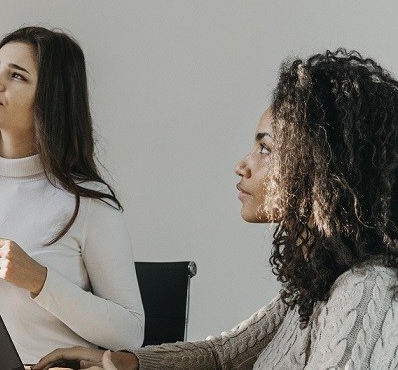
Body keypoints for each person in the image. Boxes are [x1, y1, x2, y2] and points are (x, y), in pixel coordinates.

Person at [36, 49, 398, 370]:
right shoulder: (315, 284)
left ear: (319, 167)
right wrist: (123, 363)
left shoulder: (366, 291)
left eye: (266, 149)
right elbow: (222, 357)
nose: (243, 165)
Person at [0, 26, 144, 362]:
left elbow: (131, 333)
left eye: (17, 75)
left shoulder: (89, 203)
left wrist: (38, 279)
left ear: (51, 97)